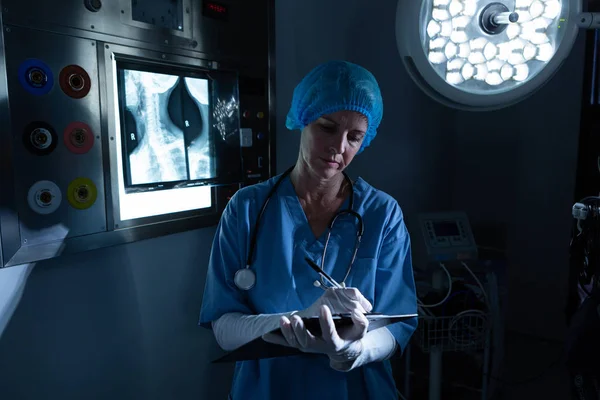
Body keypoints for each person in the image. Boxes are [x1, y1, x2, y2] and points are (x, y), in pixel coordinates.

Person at [199, 60, 418, 400]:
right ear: (303, 119)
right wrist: (296, 321)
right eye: (327, 127)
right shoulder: (247, 208)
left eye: (354, 137)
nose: (339, 147)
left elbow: (398, 325)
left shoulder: (382, 213)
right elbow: (224, 327)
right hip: (268, 389)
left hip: (356, 389)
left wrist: (353, 352)